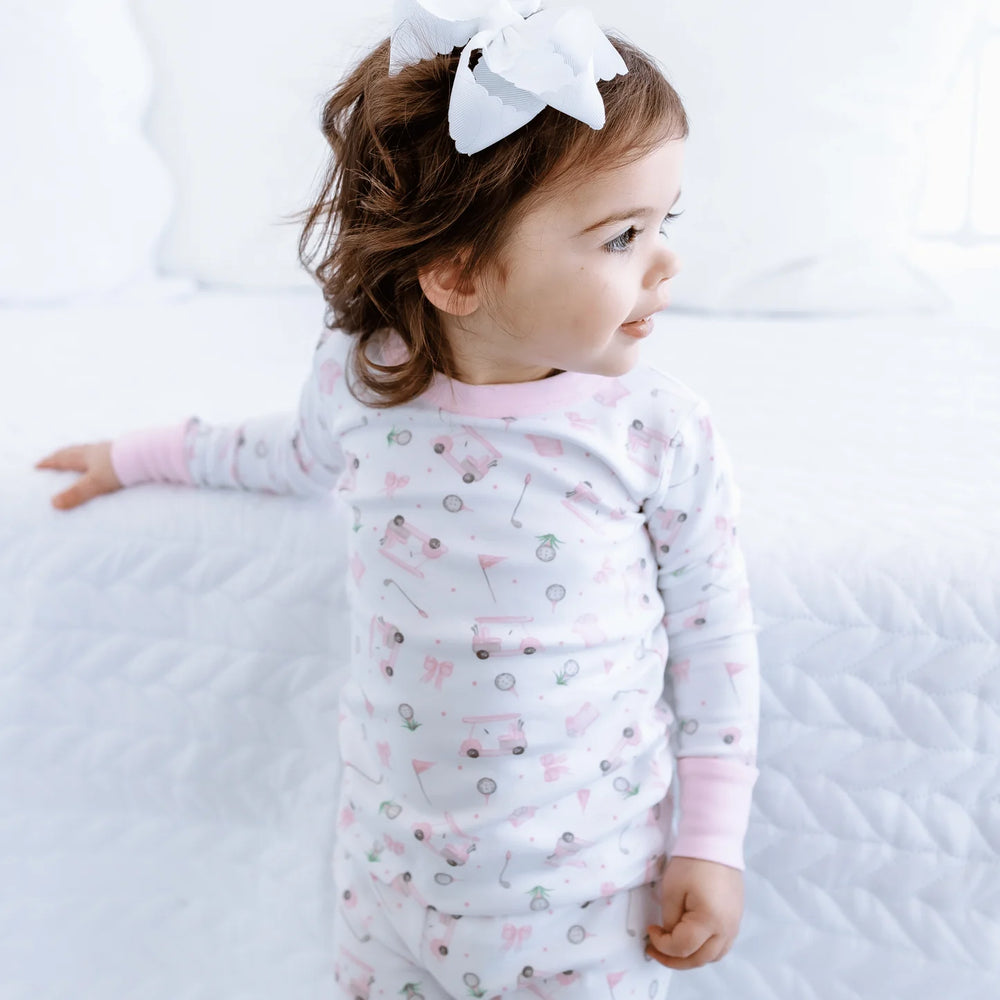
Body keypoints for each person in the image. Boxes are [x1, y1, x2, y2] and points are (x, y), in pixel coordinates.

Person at [35, 1, 760, 996]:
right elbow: (286, 453)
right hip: (390, 888)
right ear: (457, 272)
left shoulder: (654, 430)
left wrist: (710, 843)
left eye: (662, 222)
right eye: (621, 236)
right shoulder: (370, 379)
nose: (667, 260)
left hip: (584, 898)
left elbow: (716, 636)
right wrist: (137, 454)